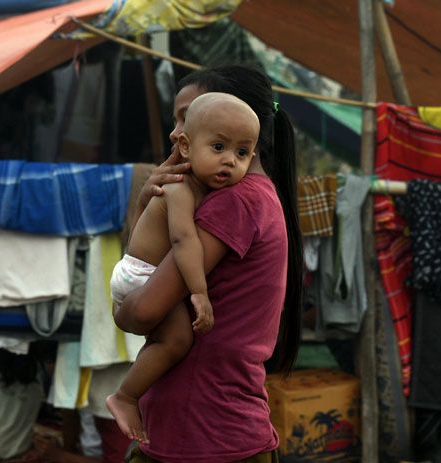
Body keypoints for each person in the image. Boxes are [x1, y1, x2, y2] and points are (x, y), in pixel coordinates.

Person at [113, 64, 304, 462]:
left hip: (203, 436)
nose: (174, 134)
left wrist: (119, 306)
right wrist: (149, 207)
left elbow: (143, 311)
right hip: (199, 433)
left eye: (187, 116)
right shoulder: (251, 197)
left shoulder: (235, 203)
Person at [106, 93, 261, 443]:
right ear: (188, 148)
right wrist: (199, 293)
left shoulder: (206, 189)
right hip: (140, 275)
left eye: (241, 153)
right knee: (177, 340)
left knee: (167, 339)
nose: (229, 162)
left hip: (140, 271)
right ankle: (125, 396)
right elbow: (183, 243)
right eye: (218, 146)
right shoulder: (179, 188)